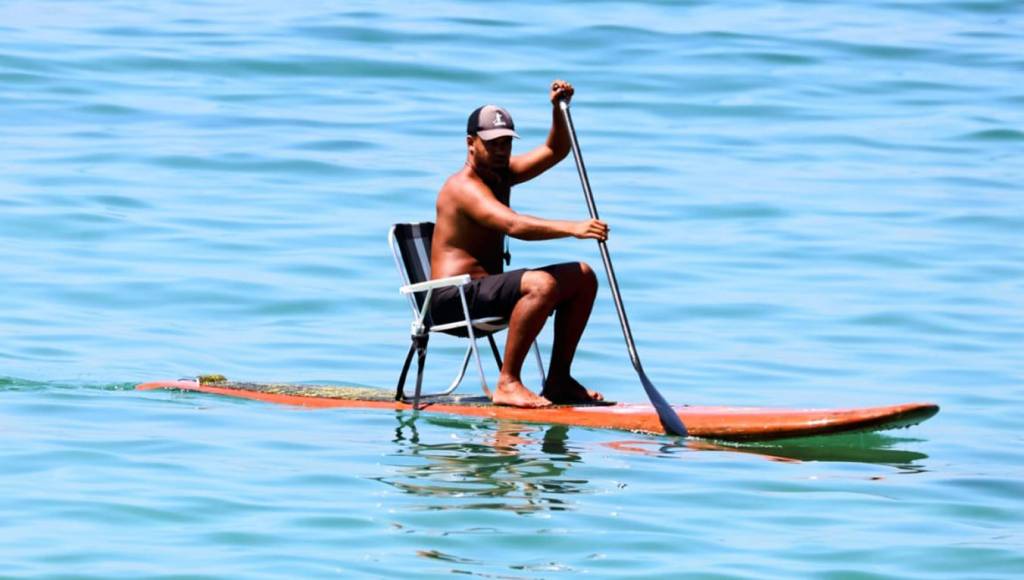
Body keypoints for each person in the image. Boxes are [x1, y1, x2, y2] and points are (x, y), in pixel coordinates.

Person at [430, 80, 608, 408]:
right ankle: (508, 383)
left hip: (485, 291)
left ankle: (558, 381)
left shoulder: (500, 174)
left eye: (506, 143)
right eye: (493, 143)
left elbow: (555, 151)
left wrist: (557, 110)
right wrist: (573, 228)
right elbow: (512, 224)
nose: (501, 150)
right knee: (540, 285)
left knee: (583, 276)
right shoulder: (462, 187)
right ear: (471, 143)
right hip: (452, 298)